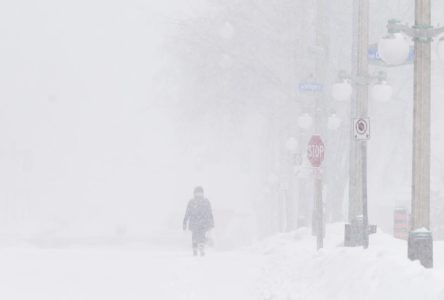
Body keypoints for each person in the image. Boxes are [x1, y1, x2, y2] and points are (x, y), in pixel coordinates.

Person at [183, 186, 214, 256]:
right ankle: (200, 248)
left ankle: (196, 248)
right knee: (200, 236)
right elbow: (210, 213)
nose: (198, 194)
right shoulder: (205, 202)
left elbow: (187, 213)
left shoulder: (192, 202)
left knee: (195, 236)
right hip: (202, 223)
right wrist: (211, 223)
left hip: (196, 223)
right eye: (198, 193)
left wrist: (185, 222)